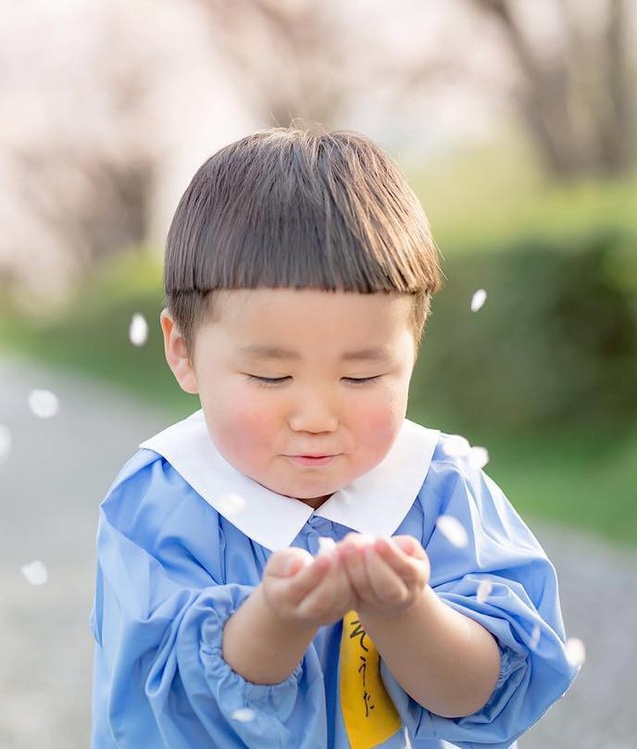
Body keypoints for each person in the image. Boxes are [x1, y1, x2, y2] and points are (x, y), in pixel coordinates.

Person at [89, 127, 579, 748]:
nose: (317, 415)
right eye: (271, 376)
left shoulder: (440, 488)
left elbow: (482, 694)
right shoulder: (162, 499)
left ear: (412, 351)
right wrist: (277, 619)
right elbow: (172, 704)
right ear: (183, 351)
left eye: (363, 375)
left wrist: (405, 612)